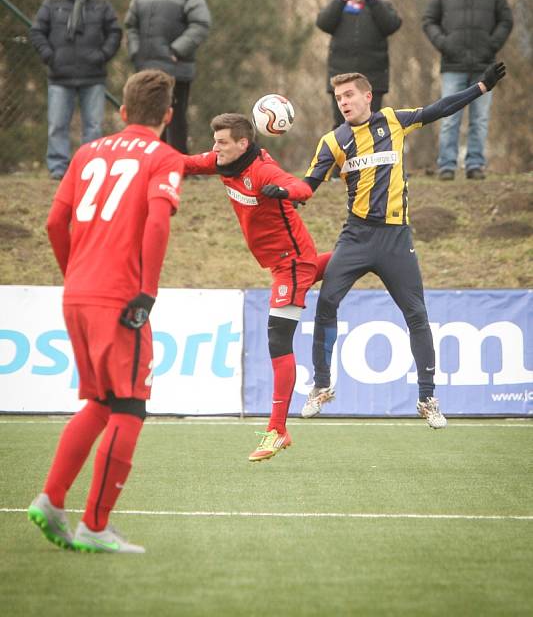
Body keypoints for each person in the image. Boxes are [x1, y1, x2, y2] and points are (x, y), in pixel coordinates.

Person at [297, 63, 506, 428]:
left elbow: (438, 109)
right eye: (338, 97)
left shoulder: (393, 121)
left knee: (417, 314)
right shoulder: (333, 142)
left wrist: (480, 88)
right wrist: (275, 190)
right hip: (357, 236)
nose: (343, 102)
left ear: (367, 96)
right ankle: (321, 386)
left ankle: (427, 398)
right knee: (327, 301)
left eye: (349, 95)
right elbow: (306, 188)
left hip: (396, 238)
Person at [28, 69, 185, 553]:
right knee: (129, 407)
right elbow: (157, 221)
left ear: (121, 112)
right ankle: (95, 526)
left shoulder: (86, 152)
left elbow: (56, 221)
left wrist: (73, 271)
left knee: (99, 402)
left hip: (77, 293)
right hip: (121, 298)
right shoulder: (164, 156)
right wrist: (147, 291)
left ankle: (51, 500)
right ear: (168, 116)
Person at [184, 113, 331, 462]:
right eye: (214, 141)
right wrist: (142, 160)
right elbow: (185, 163)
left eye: (221, 142)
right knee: (340, 264)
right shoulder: (224, 162)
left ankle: (277, 430)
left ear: (242, 144)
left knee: (278, 341)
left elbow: (303, 188)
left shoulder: (262, 170)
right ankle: (371, 255)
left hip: (292, 264)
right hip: (282, 265)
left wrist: (283, 191)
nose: (214, 148)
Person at [422, 0, 513, 181]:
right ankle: (447, 166)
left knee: (480, 119)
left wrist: (491, 45)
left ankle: (475, 164)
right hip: (452, 66)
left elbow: (506, 21)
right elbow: (429, 20)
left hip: (485, 68)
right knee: (449, 116)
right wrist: (444, 44)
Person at [30, 0, 122, 180]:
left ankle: (90, 168)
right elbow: (37, 32)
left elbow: (115, 32)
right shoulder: (52, 2)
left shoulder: (101, 4)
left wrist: (103, 55)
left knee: (93, 127)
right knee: (57, 125)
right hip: (60, 76)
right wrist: (50, 56)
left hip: (93, 76)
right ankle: (58, 169)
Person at [125, 0, 211, 154]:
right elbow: (131, 25)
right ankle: (154, 160)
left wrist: (177, 50)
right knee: (150, 115)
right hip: (146, 68)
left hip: (176, 67)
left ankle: (181, 162)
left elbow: (200, 24)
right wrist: (136, 51)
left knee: (175, 116)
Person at [317, 0, 401, 129]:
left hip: (373, 79)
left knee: (371, 124)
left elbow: (391, 24)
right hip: (341, 76)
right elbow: (323, 22)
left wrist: (373, 2)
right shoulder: (340, 8)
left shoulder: (380, 7)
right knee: (342, 126)